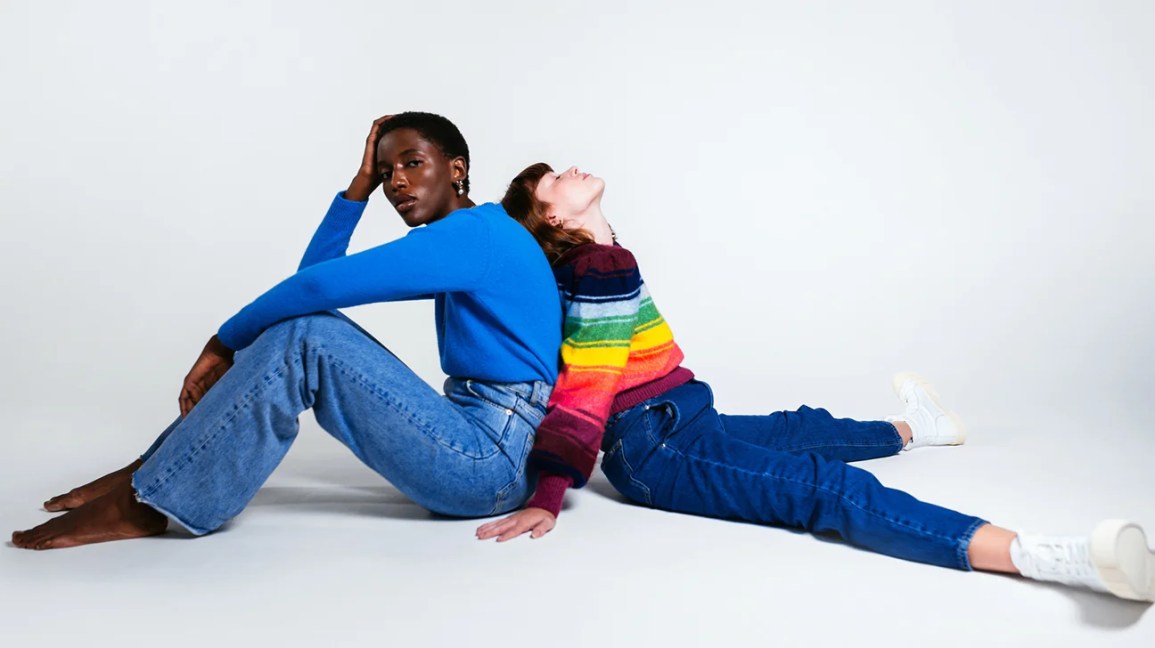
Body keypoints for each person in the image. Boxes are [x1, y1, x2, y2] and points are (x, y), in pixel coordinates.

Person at [478, 162, 1155, 603]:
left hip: (684, 416)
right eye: (551, 180)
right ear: (554, 217)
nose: (568, 169)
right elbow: (588, 384)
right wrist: (549, 492)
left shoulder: (605, 255)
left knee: (801, 428)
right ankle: (1045, 557)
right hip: (656, 447)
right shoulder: (597, 267)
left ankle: (919, 428)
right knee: (824, 489)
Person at [11, 113, 562, 550]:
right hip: (480, 442)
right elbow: (313, 286)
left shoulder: (474, 237)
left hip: (490, 461)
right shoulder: (474, 236)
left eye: (413, 163)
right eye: (385, 172)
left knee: (307, 338)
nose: (397, 182)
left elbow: (315, 288)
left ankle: (151, 500)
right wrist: (357, 189)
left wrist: (223, 341)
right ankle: (153, 475)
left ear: (457, 169)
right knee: (306, 329)